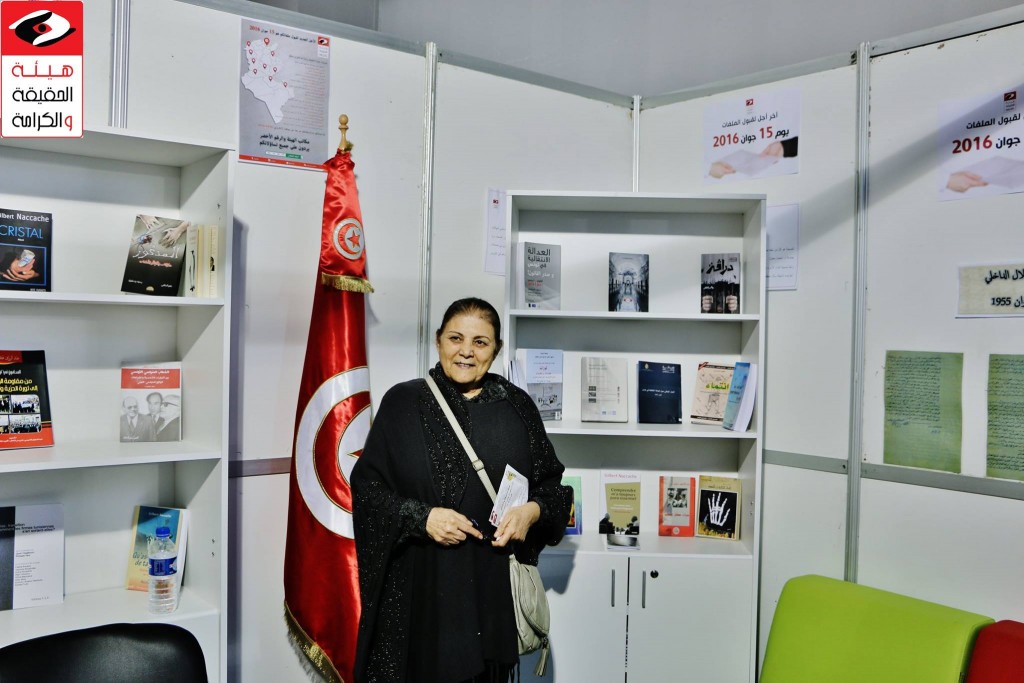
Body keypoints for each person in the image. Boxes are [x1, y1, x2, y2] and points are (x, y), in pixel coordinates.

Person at [351, 297, 572, 683]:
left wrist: (531, 512)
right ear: (438, 340)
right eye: (456, 338)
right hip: (419, 591)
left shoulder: (517, 407)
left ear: (496, 350)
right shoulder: (403, 403)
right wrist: (424, 518)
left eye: (480, 342)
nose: (466, 351)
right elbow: (367, 492)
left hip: (489, 593)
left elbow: (553, 489)